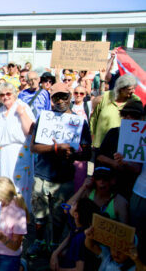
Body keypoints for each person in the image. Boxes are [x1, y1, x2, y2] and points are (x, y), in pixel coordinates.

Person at [28, 82, 91, 257]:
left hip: (63, 179)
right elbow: (33, 147)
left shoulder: (80, 122)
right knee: (39, 215)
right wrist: (55, 149)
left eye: (64, 96)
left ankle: (55, 244)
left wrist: (73, 155)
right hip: (42, 175)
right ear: (51, 99)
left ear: (70, 97)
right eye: (56, 97)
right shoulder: (44, 117)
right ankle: (39, 241)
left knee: (59, 217)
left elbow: (87, 153)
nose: (61, 100)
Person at [0, 83, 35, 209]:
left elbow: (29, 131)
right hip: (1, 155)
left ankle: (19, 217)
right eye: (2, 95)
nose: (5, 97)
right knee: (2, 186)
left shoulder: (22, 107)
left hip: (18, 154)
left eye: (8, 94)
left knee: (17, 187)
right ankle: (4, 214)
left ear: (14, 94)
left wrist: (22, 114)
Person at [96, 100, 143, 200]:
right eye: (125, 114)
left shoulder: (142, 138)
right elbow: (99, 155)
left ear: (141, 118)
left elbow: (138, 169)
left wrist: (125, 163)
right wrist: (114, 163)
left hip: (129, 187)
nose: (128, 117)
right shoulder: (113, 132)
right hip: (107, 185)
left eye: (133, 115)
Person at [91, 74, 140, 159]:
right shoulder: (106, 97)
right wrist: (91, 139)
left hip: (122, 146)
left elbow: (140, 122)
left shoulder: (135, 101)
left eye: (134, 88)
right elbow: (94, 119)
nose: (133, 91)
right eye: (130, 89)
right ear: (120, 89)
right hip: (101, 144)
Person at [49, 198, 100, 271]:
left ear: (76, 215)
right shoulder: (78, 227)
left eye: (74, 204)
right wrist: (55, 253)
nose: (72, 203)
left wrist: (59, 269)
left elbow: (79, 269)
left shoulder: (80, 239)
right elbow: (69, 237)